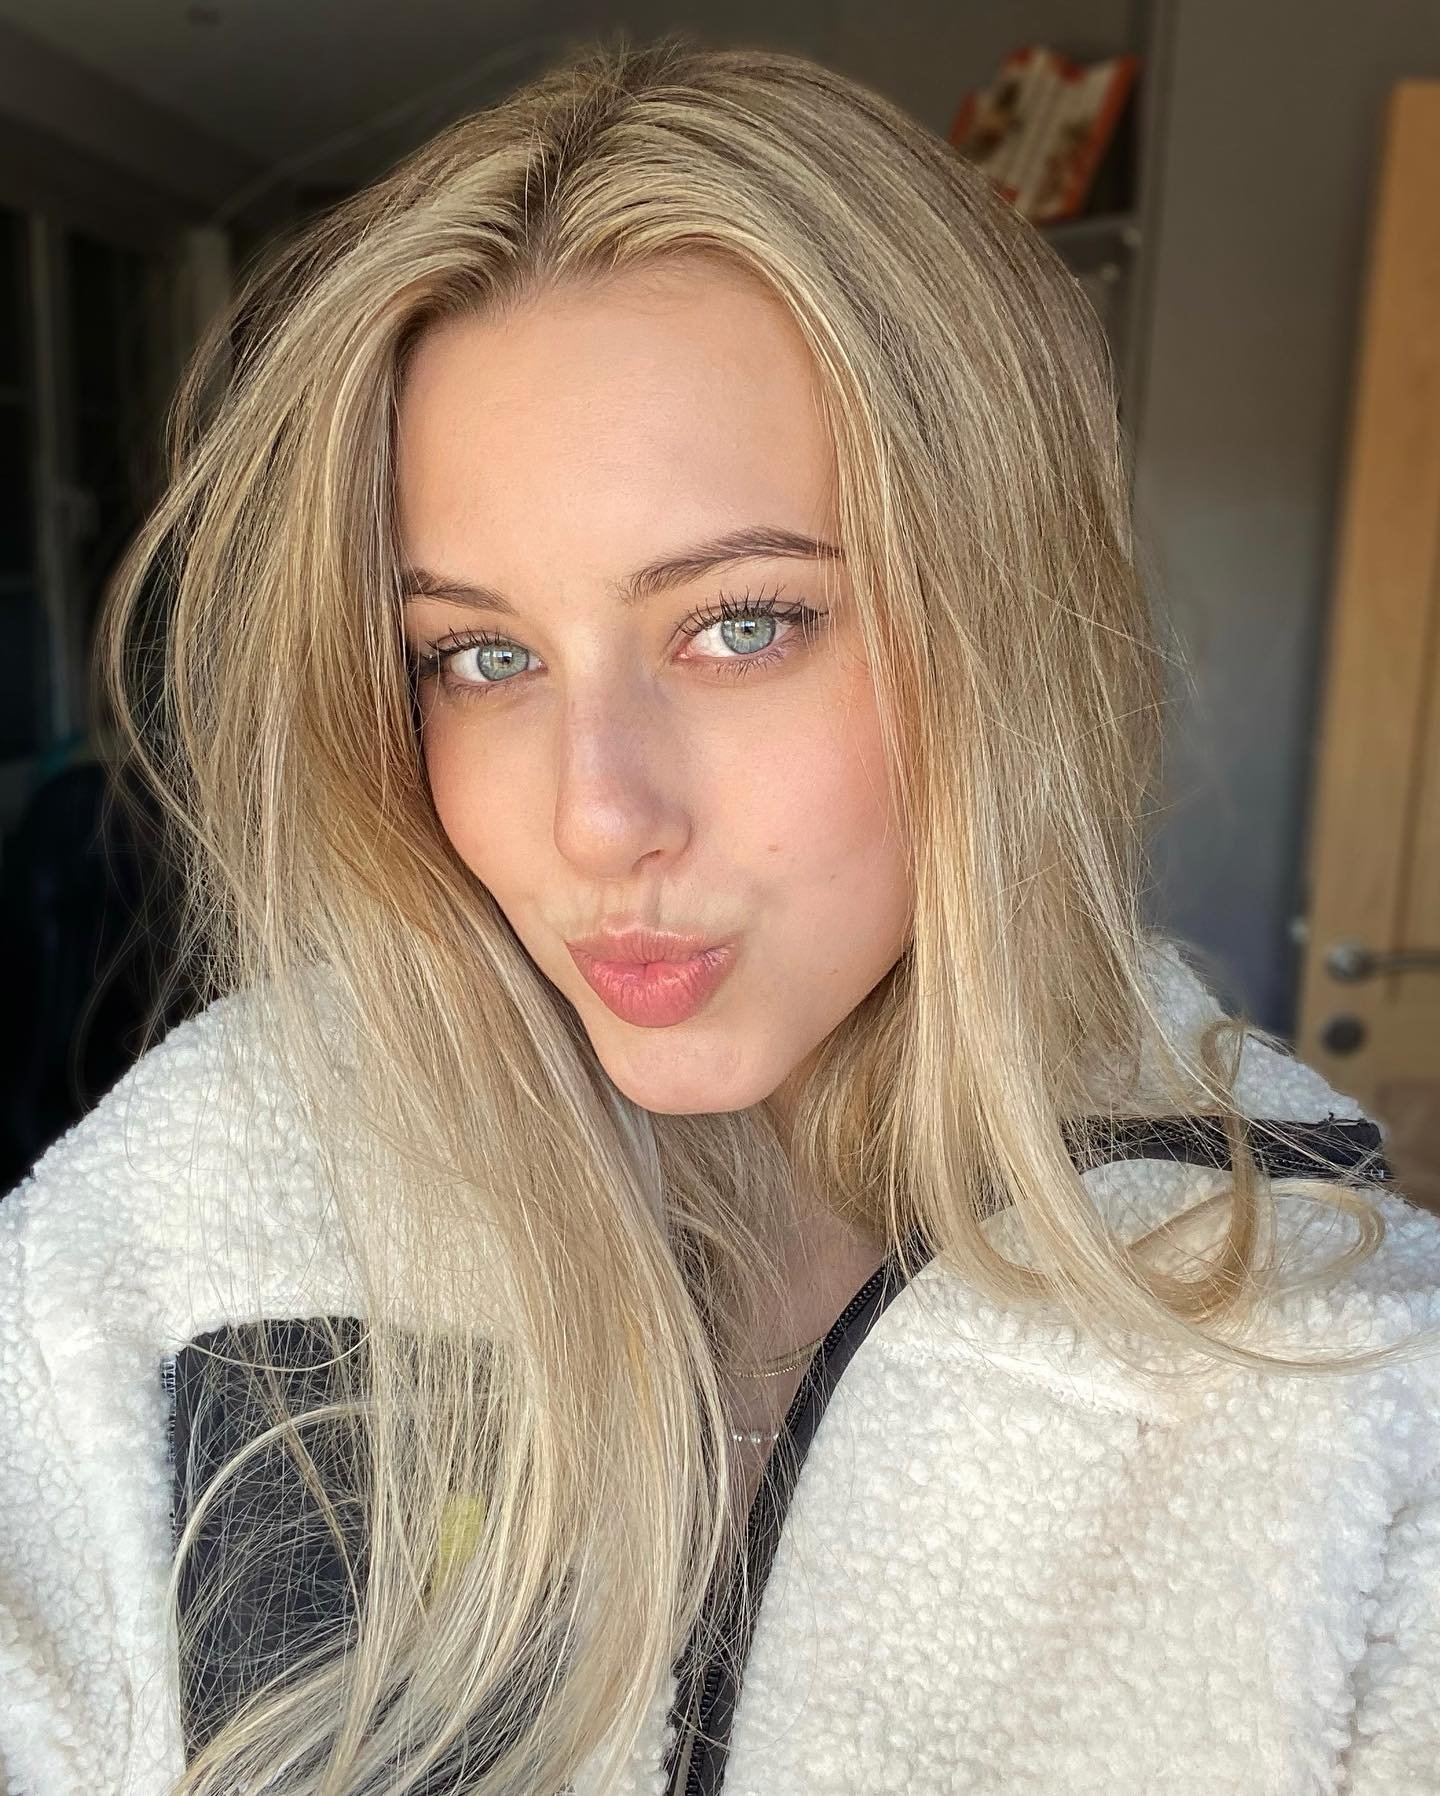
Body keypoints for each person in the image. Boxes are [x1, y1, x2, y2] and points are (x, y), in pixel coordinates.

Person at [2, 32, 1438, 1796]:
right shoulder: (174, 1231)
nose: (597, 817)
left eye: (742, 624)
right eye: (481, 656)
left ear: (1002, 632)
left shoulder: (1337, 1372)